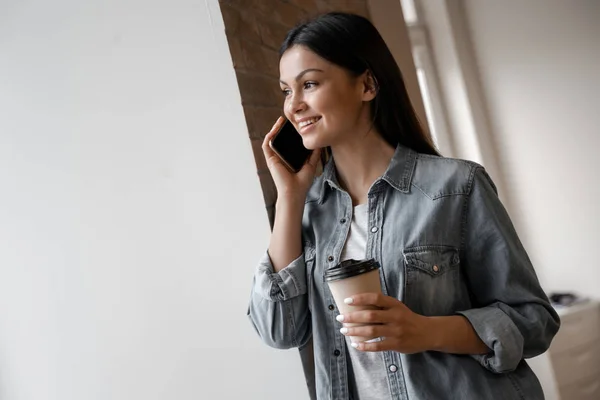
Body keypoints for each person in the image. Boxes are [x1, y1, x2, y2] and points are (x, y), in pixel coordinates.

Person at [247, 12, 559, 400]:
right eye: (286, 91)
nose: (294, 106)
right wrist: (291, 198)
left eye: (309, 84)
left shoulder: (456, 187)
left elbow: (534, 321)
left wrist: (424, 331)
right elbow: (278, 330)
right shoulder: (308, 208)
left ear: (367, 84)